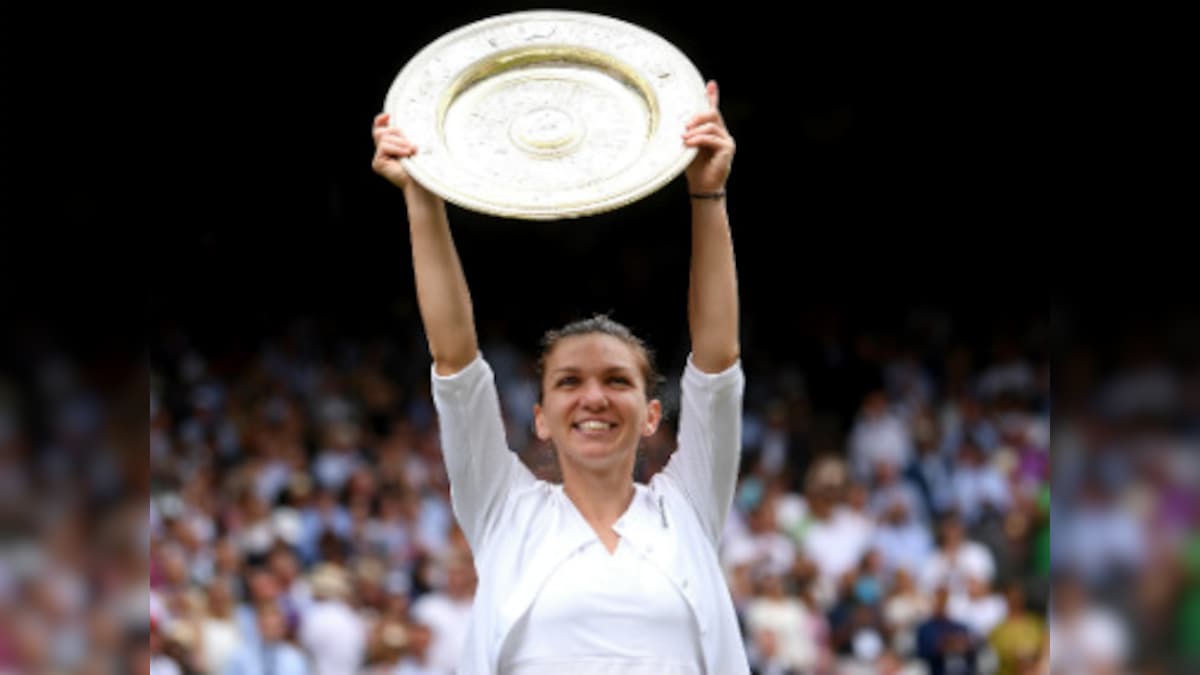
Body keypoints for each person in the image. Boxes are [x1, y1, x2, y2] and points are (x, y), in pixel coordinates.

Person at [371, 79, 746, 674]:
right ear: (540, 418)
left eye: (618, 381)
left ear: (653, 414)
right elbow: (455, 361)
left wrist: (709, 195)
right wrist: (424, 195)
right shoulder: (504, 511)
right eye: (568, 381)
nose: (593, 396)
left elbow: (718, 361)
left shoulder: (689, 506)